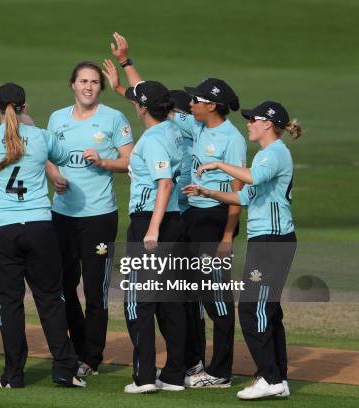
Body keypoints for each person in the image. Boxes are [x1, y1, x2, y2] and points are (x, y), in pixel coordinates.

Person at [108, 32, 246, 388]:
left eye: (196, 100)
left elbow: (238, 189)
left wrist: (228, 234)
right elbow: (154, 100)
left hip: (214, 221)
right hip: (188, 218)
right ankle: (187, 365)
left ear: (211, 105)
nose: (189, 104)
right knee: (185, 294)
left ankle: (219, 370)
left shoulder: (231, 139)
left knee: (215, 296)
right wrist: (126, 67)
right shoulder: (190, 125)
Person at [0, 83, 85, 389]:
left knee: (9, 304)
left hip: (0, 230)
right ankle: (64, 369)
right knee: (50, 300)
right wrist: (31, 128)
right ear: (24, 106)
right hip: (38, 226)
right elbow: (61, 156)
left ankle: (13, 375)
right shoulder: (41, 136)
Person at [184, 101, 301, 399]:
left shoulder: (274, 153)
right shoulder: (265, 155)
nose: (248, 123)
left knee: (252, 309)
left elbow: (253, 179)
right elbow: (244, 195)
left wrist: (219, 163)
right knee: (269, 311)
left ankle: (270, 378)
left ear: (267, 124)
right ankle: (277, 377)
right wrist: (208, 191)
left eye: (253, 119)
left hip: (272, 241)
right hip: (267, 241)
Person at [46, 61, 134, 376]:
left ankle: (91, 358)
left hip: (99, 216)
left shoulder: (114, 118)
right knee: (63, 287)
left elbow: (131, 161)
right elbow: (48, 158)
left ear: (101, 87)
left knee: (95, 289)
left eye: (94, 82)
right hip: (62, 215)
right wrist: (55, 176)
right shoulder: (57, 118)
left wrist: (105, 161)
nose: (88, 87)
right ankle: (78, 347)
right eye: (83, 81)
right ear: (73, 84)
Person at [110, 77, 188, 393]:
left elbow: (164, 183)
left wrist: (152, 227)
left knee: (141, 301)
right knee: (170, 300)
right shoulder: (175, 128)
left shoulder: (154, 139)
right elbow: (145, 100)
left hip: (150, 222)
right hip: (174, 221)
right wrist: (123, 86)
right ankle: (173, 374)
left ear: (144, 108)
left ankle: (143, 378)